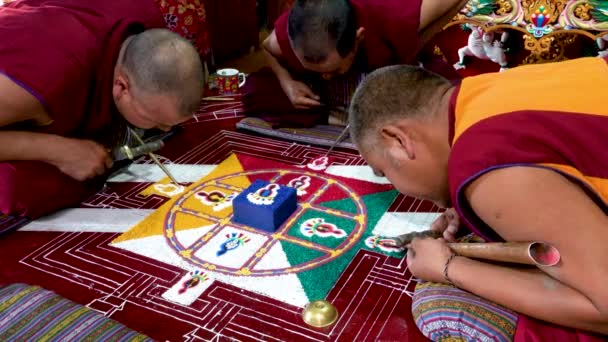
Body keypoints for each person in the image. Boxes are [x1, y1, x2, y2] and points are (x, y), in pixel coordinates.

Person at [348, 58, 608, 340]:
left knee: (438, 304)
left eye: (384, 172)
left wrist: (448, 268)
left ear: (398, 141)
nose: (395, 186)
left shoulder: (486, 164)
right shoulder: (483, 91)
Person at [0, 0, 205, 219]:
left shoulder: (147, 22)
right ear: (121, 86)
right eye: (155, 120)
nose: (164, 129)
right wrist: (58, 150)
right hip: (19, 75)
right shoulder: (46, 80)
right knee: (24, 186)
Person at [242, 0, 468, 128]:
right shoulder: (297, 32)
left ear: (358, 39)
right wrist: (287, 83)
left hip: (381, 66)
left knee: (444, 100)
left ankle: (348, 114)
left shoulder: (392, 13)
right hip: (323, 92)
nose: (328, 77)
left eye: (333, 69)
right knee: (259, 90)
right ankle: (339, 115)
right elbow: (267, 47)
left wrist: (413, 43)